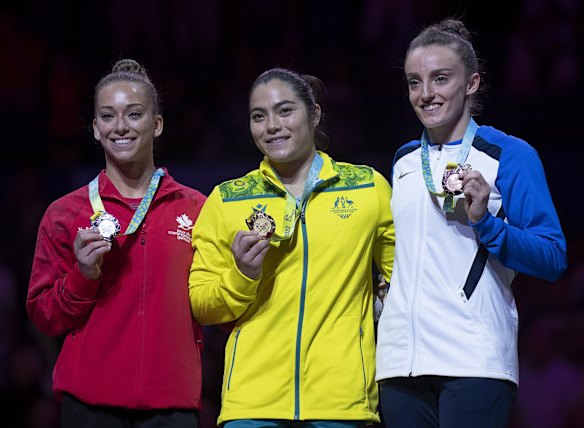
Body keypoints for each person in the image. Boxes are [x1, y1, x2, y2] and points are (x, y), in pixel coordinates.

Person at [375, 19, 568, 428]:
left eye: (440, 78)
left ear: (472, 83)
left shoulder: (509, 154)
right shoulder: (405, 160)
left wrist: (488, 224)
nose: (425, 94)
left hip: (473, 356)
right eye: (414, 82)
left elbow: (552, 256)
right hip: (399, 359)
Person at [188, 68, 395, 427]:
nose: (271, 126)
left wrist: (383, 302)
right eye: (258, 116)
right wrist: (242, 276)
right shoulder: (227, 199)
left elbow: (403, 282)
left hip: (342, 403)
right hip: (252, 407)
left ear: (314, 114)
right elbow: (202, 305)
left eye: (285, 111)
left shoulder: (367, 188)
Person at [27, 59, 207, 427]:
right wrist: (83, 275)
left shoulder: (196, 207)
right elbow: (44, 316)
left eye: (134, 114)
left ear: (156, 124)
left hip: (171, 406)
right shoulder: (65, 213)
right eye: (108, 116)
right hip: (90, 408)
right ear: (95, 128)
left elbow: (211, 301)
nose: (120, 126)